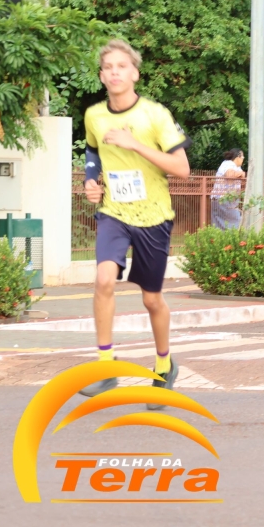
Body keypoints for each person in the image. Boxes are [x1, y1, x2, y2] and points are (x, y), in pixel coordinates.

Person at [78, 40, 192, 405]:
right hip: (114, 213)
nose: (115, 72)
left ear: (135, 74)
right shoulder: (94, 115)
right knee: (103, 280)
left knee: (151, 299)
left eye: (122, 66)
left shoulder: (155, 115)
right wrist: (90, 182)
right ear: (101, 76)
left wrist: (135, 145)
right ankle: (106, 367)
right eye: (108, 67)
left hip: (154, 216)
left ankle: (164, 367)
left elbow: (183, 169)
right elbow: (93, 151)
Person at [210, 148, 245, 230]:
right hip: (224, 199)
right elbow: (230, 175)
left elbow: (241, 175)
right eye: (243, 157)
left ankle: (219, 238)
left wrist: (241, 174)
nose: (243, 159)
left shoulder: (236, 166)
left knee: (219, 225)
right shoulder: (228, 164)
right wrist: (240, 174)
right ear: (238, 157)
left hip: (224, 199)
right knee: (235, 222)